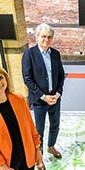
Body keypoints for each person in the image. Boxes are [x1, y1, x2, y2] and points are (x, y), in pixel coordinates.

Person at [22, 23, 65, 159]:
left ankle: (51, 146)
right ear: (37, 37)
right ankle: (38, 153)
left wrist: (57, 94)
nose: (46, 40)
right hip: (39, 100)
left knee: (55, 125)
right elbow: (27, 79)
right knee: (38, 129)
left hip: (55, 99)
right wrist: (43, 96)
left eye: (49, 37)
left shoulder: (56, 54)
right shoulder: (29, 54)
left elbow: (61, 75)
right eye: (43, 36)